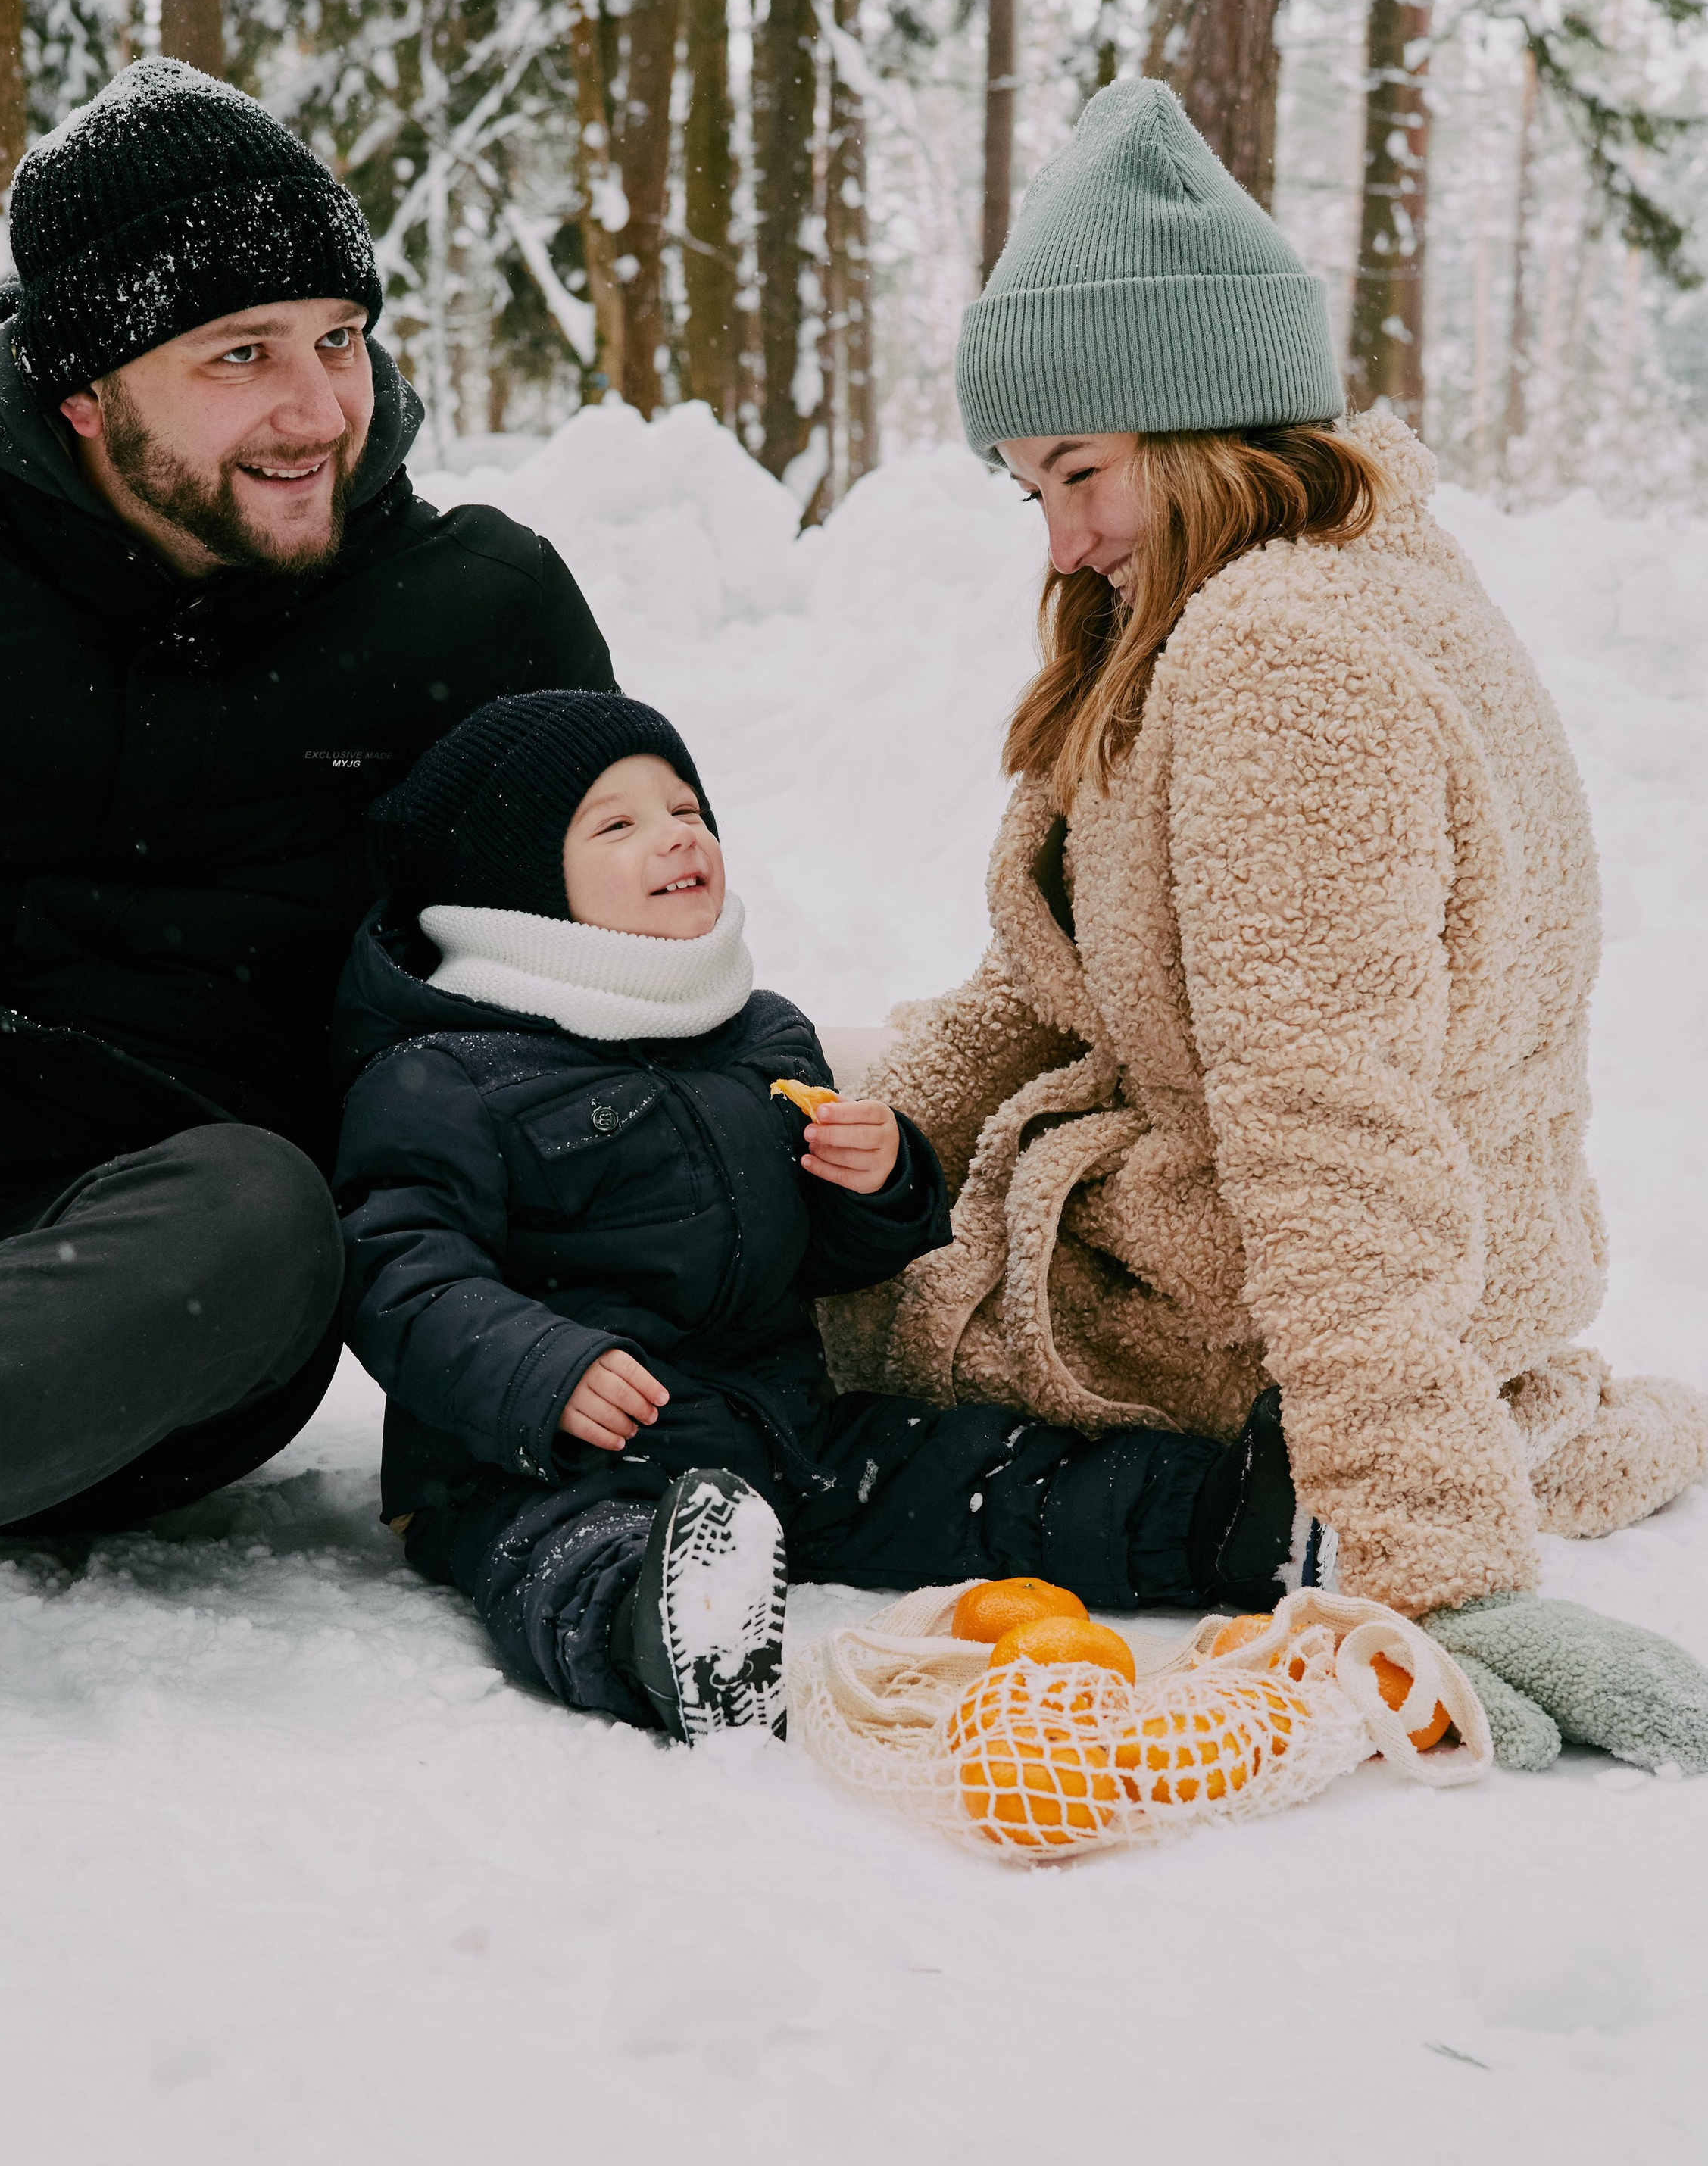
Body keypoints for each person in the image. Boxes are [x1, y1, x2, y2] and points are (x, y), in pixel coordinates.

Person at [820, 76, 1708, 1773]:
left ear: (1199, 415)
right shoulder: (1350, 563)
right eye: (1030, 495)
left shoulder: (1277, 660)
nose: (1068, 544)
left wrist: (1431, 1567)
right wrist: (893, 1110)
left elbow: (1327, 1119)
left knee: (689, 1258)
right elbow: (1049, 974)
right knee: (791, 1094)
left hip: (1232, 1302)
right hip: (1462, 1253)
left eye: (1080, 473)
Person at [0, 58, 612, 1586]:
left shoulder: (477, 618)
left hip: (149, 1291)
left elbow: (606, 1000)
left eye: (338, 341)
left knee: (263, 1213)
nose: (316, 410)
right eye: (239, 356)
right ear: (84, 392)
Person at [333, 690, 1308, 1739]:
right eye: (617, 824)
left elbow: (834, 1260)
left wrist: (879, 1182)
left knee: (979, 1472)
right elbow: (400, 1270)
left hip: (777, 1422)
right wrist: (540, 1370)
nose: (676, 835)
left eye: (686, 809)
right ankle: (661, 1635)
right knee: (559, 1554)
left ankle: (1224, 1518)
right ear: (516, 886)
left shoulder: (756, 1036)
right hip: (547, 1457)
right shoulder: (447, 1076)